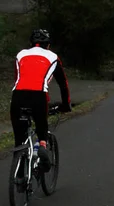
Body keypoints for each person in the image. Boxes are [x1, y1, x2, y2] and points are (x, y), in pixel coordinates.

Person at [10, 29, 72, 172]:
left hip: (18, 96)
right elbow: (63, 84)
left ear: (31, 43)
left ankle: (19, 175)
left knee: (19, 139)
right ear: (48, 45)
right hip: (38, 96)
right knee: (41, 127)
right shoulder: (53, 57)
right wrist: (65, 105)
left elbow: (18, 78)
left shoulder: (21, 55)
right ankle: (42, 146)